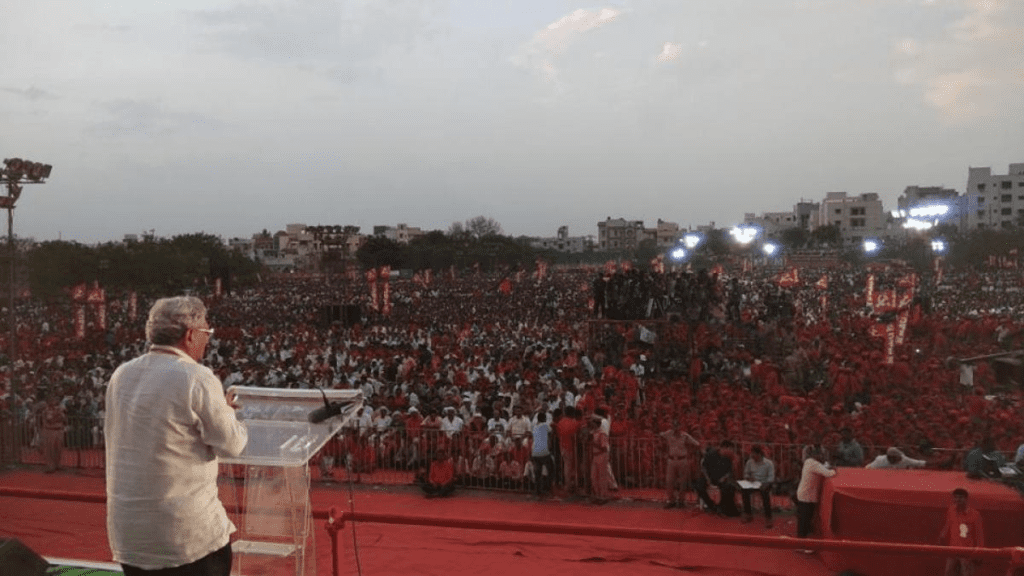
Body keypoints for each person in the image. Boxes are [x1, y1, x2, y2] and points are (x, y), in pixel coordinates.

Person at [105, 296, 248, 576]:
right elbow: (233, 444)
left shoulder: (122, 374)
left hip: (130, 536)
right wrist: (227, 411)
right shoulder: (196, 377)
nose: (207, 341)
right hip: (185, 537)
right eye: (207, 333)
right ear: (190, 335)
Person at [938, 488, 984, 576]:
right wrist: (942, 536)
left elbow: (979, 535)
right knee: (948, 572)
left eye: (960, 497)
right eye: (956, 497)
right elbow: (948, 525)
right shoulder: (951, 511)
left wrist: (979, 552)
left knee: (966, 573)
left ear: (966, 499)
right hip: (952, 549)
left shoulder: (975, 515)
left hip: (967, 551)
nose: (958, 500)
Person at [795, 446, 836, 544]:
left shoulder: (808, 461)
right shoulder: (814, 464)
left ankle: (801, 542)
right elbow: (829, 473)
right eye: (821, 455)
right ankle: (801, 544)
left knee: (804, 520)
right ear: (816, 455)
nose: (823, 457)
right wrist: (834, 469)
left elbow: (823, 467)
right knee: (804, 521)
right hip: (807, 497)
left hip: (804, 494)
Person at [659, 420, 700, 508]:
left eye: (677, 426)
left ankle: (681, 501)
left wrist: (690, 450)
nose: (675, 429)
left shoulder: (685, 436)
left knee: (683, 481)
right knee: (669, 481)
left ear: (680, 427)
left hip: (682, 460)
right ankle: (671, 500)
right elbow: (660, 435)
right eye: (674, 426)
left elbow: (696, 443)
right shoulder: (668, 433)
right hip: (671, 459)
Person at [695, 440, 740, 517]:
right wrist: (708, 479)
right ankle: (711, 506)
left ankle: (723, 508)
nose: (731, 451)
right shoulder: (711, 454)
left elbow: (730, 472)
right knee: (698, 485)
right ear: (724, 448)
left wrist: (725, 477)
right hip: (710, 477)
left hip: (722, 478)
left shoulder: (729, 457)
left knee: (729, 486)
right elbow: (704, 468)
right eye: (730, 449)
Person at [740, 445, 775, 528]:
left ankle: (768, 517)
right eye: (752, 455)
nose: (753, 457)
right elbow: (746, 474)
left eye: (754, 455)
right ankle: (748, 514)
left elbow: (771, 477)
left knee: (765, 493)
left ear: (759, 454)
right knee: (744, 490)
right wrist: (748, 478)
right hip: (753, 482)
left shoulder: (768, 463)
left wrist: (765, 483)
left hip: (764, 483)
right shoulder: (749, 462)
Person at [39, 392, 66, 473]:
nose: (55, 401)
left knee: (59, 449)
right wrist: (58, 415)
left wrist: (58, 415)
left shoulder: (60, 409)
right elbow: (50, 420)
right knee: (50, 449)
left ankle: (57, 464)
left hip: (59, 429)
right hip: (50, 430)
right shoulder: (47, 410)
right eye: (53, 400)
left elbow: (64, 419)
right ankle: (50, 466)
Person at [530, 411, 554, 498]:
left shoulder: (535, 427)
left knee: (538, 472)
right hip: (544, 451)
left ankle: (538, 491)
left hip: (535, 452)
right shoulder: (545, 425)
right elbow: (551, 432)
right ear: (544, 418)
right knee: (551, 469)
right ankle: (548, 488)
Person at [588, 414, 611, 504]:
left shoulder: (602, 433)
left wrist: (593, 443)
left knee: (601, 476)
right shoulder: (593, 433)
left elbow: (604, 447)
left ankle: (603, 496)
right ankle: (597, 495)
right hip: (596, 455)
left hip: (601, 455)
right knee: (594, 476)